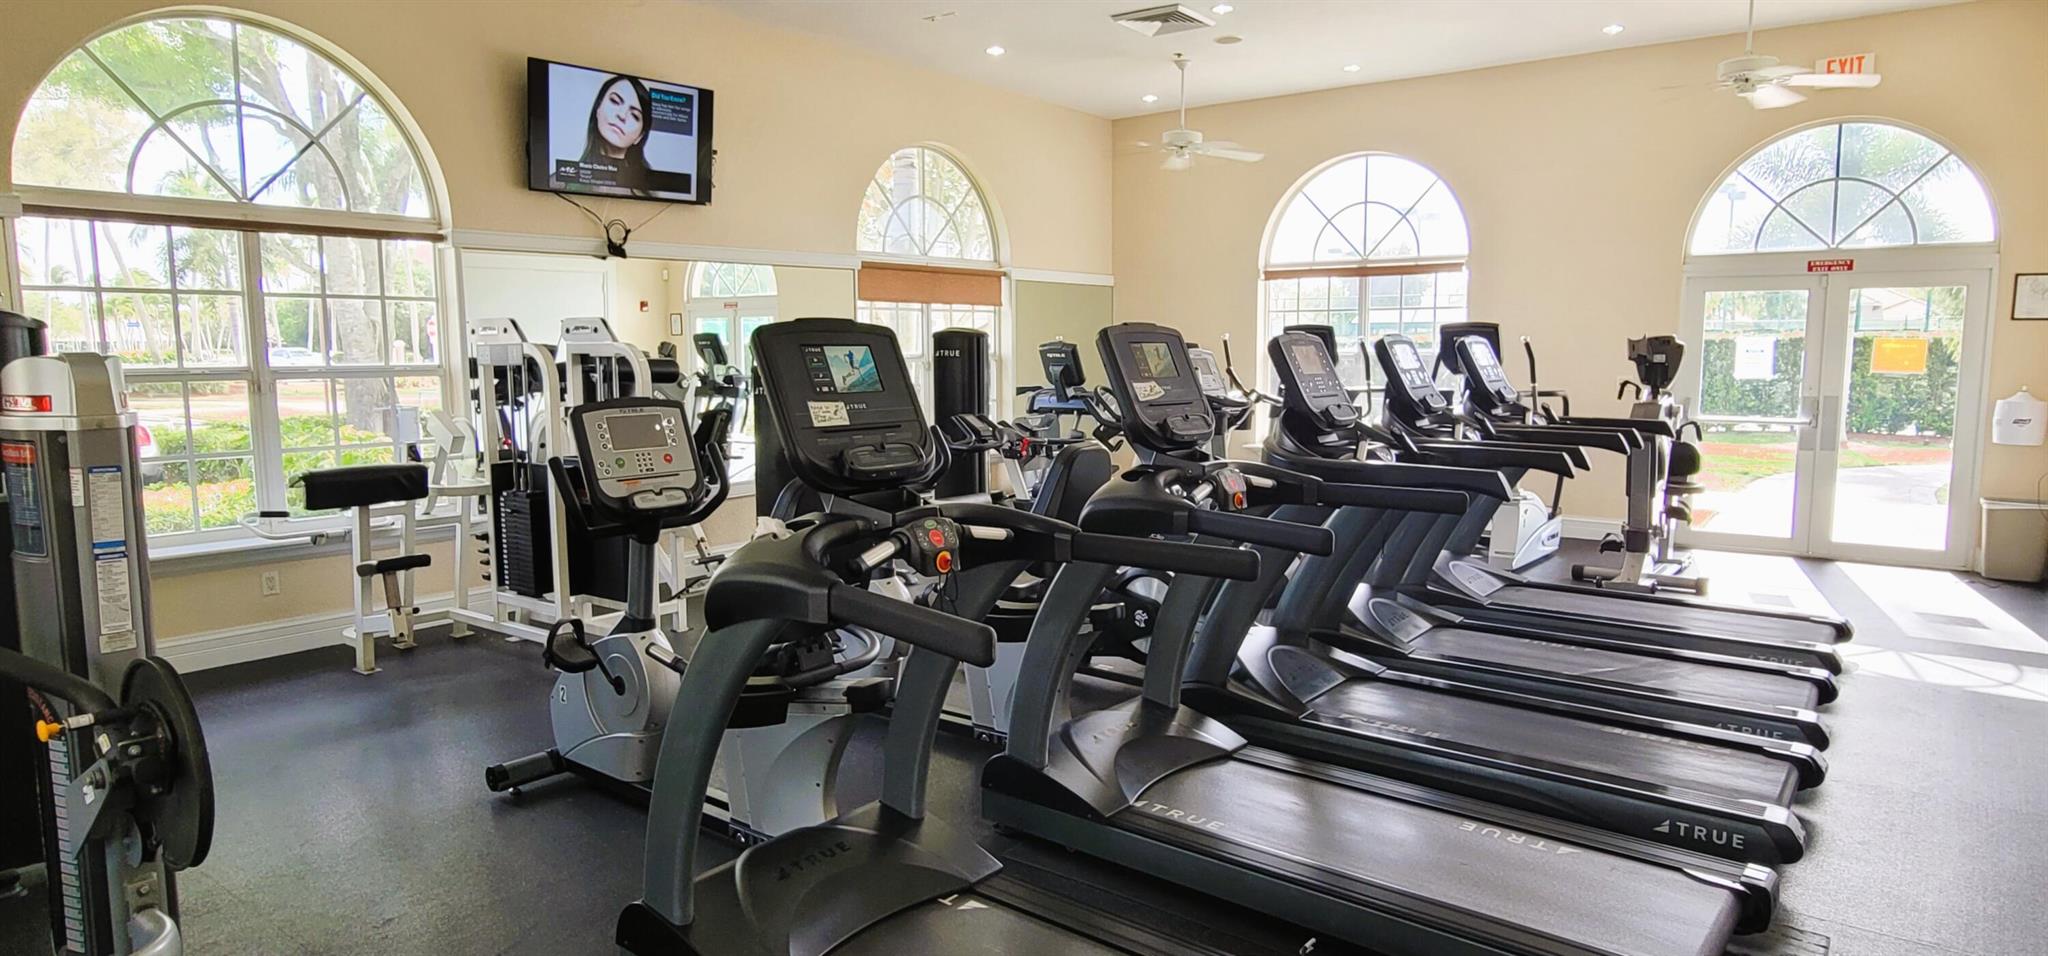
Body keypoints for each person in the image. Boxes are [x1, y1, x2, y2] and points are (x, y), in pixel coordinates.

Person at [579, 74, 652, 192]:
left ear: (640, 136)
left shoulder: (650, 191)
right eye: (615, 101)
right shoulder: (561, 180)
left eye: (634, 115)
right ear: (598, 108)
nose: (622, 115)